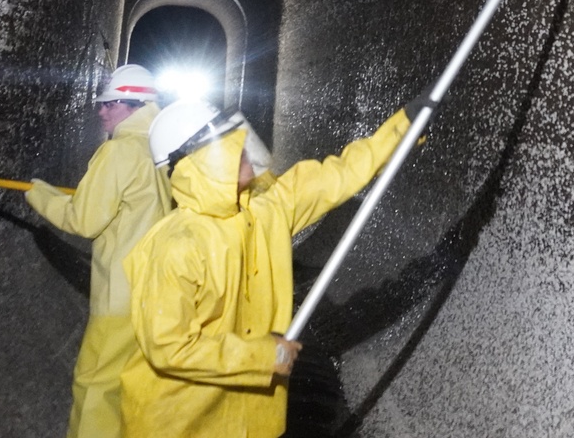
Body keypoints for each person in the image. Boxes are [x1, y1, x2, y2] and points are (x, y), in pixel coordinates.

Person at [119, 97, 419, 438]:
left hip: (244, 419)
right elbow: (169, 348)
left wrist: (403, 127)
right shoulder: (174, 247)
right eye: (232, 145)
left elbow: (338, 175)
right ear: (199, 163)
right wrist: (263, 355)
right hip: (175, 424)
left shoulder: (266, 209)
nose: (245, 148)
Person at [26, 63, 172, 438]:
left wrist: (39, 195)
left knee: (95, 386)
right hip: (151, 292)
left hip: (118, 296)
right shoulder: (156, 152)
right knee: (127, 386)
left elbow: (84, 221)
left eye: (110, 104)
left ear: (133, 105)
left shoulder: (118, 152)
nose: (101, 111)